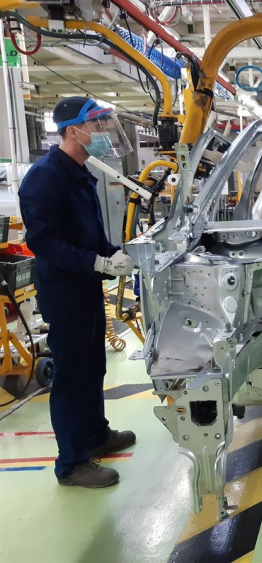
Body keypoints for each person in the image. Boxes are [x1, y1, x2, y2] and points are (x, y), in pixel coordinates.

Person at [19, 97, 137, 488]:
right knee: (71, 374)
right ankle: (71, 464)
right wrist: (96, 262)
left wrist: (113, 254)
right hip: (64, 288)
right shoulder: (45, 176)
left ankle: (94, 435)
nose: (104, 132)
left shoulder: (80, 172)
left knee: (92, 366)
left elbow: (90, 234)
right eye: (97, 125)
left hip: (84, 284)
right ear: (74, 131)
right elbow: (43, 241)